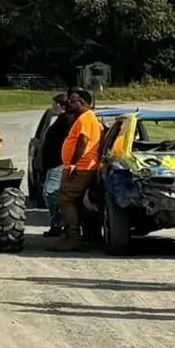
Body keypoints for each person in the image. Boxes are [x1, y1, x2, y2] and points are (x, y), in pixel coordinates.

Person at [56, 89, 103, 249]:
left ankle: (73, 238)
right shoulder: (86, 117)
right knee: (77, 203)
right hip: (82, 167)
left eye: (72, 100)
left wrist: (73, 164)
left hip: (81, 168)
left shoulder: (86, 118)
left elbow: (83, 141)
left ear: (82, 102)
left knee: (66, 200)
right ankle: (78, 236)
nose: (69, 103)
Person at [35, 95, 73, 237]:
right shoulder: (59, 120)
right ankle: (57, 224)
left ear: (60, 105)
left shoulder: (67, 121)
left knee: (50, 193)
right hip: (53, 163)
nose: (52, 107)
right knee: (52, 193)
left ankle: (62, 223)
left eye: (54, 104)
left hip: (59, 162)